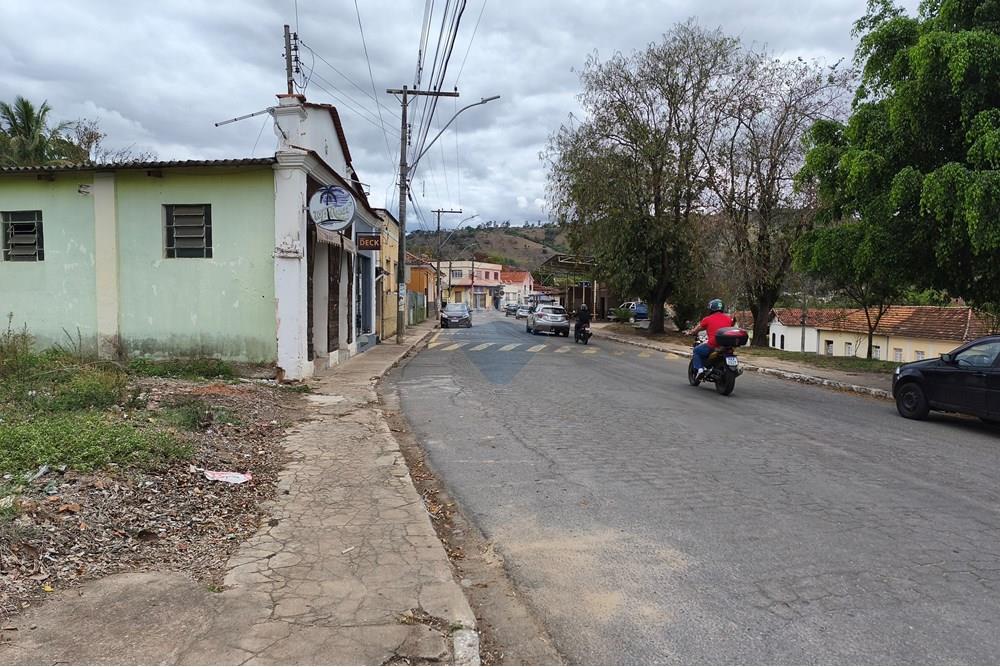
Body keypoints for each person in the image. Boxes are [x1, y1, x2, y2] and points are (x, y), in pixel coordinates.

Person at [684, 298, 734, 379]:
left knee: (696, 350)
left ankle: (700, 370)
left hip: (713, 345)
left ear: (711, 308)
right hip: (726, 344)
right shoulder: (728, 319)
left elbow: (698, 329)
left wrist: (691, 332)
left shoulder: (707, 319)